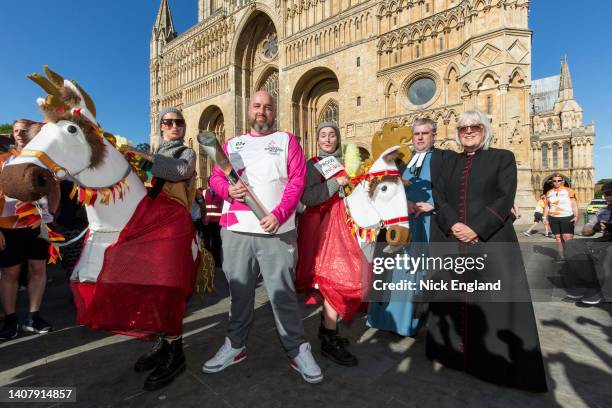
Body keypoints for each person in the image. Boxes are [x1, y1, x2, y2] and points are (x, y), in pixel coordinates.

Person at [202, 91, 323, 383]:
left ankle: (297, 349)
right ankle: (235, 345)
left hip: (276, 231)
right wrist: (227, 190)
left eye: (267, 107)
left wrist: (280, 214)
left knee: (282, 294)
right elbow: (216, 177)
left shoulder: (286, 140)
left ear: (274, 111)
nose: (261, 111)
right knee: (240, 294)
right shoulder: (232, 144)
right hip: (235, 230)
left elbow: (297, 181)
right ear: (249, 110)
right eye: (256, 106)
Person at [426, 110, 547, 392]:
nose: (468, 131)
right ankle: (453, 355)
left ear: (485, 129)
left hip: (490, 240)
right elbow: (439, 195)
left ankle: (494, 366)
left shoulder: (502, 157)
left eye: (475, 126)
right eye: (463, 127)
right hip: (453, 241)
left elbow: (505, 197)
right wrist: (453, 224)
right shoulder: (449, 162)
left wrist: (477, 229)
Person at [121, 107, 197, 391]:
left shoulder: (184, 154)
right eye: (169, 122)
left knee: (168, 289)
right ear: (161, 126)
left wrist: (143, 155)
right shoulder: (150, 159)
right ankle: (162, 343)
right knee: (152, 287)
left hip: (175, 222)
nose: (175, 126)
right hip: (151, 221)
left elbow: (181, 172)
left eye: (179, 122)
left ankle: (175, 351)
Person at [367, 118, 454, 337]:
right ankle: (384, 320)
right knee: (390, 273)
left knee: (413, 275)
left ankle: (407, 323)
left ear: (434, 135)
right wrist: (402, 203)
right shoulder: (403, 162)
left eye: (425, 133)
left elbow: (456, 190)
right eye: (417, 134)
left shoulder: (445, 159)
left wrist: (432, 206)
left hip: (425, 225)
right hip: (399, 224)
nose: (421, 137)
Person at [296, 121, 363, 366]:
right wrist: (337, 183)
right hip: (321, 231)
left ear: (337, 138)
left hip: (344, 229)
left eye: (331, 135)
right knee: (331, 281)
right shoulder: (312, 164)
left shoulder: (345, 164)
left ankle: (327, 331)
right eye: (322, 135)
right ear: (317, 139)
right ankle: (329, 339)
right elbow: (308, 197)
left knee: (336, 280)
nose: (327, 139)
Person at [0, 119, 59, 340]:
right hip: (8, 225)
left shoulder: (42, 161)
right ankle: (10, 320)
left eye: (24, 130)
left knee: (38, 270)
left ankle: (33, 317)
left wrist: (50, 215)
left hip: (37, 225)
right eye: (16, 131)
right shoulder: (4, 160)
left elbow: (54, 190)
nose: (20, 134)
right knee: (10, 273)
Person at [563, 181, 612, 305]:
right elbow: (585, 231)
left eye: (610, 193)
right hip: (605, 239)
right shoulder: (602, 212)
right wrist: (595, 228)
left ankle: (605, 291)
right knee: (571, 245)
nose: (608, 197)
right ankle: (589, 285)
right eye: (606, 194)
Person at [543, 173, 578, 261]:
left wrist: (576, 216)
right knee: (558, 238)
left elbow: (574, 204)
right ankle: (561, 256)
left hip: (567, 216)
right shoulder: (549, 192)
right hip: (553, 217)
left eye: (559, 180)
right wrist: (544, 217)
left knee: (567, 238)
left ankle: (570, 255)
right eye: (554, 181)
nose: (557, 182)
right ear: (552, 182)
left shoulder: (569, 190)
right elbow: (547, 206)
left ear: (562, 181)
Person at [203, 184, 223, 265]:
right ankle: (207, 261)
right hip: (207, 221)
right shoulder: (205, 192)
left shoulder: (221, 192)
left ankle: (217, 261)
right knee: (206, 242)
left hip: (217, 222)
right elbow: (202, 206)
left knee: (217, 242)